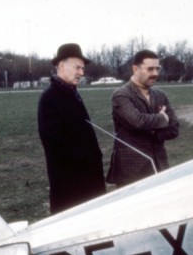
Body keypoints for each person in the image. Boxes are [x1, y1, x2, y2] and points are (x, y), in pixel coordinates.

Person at [37, 43, 106, 214]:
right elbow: (54, 144)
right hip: (71, 186)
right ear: (61, 66)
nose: (82, 73)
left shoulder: (71, 92)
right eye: (77, 68)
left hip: (88, 179)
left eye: (82, 69)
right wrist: (86, 161)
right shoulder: (50, 98)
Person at [106, 49, 180, 187]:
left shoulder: (160, 95)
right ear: (135, 69)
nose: (155, 74)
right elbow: (138, 122)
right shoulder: (121, 95)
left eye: (157, 69)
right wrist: (162, 119)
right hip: (132, 171)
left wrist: (153, 131)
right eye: (150, 69)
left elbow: (175, 128)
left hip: (160, 166)